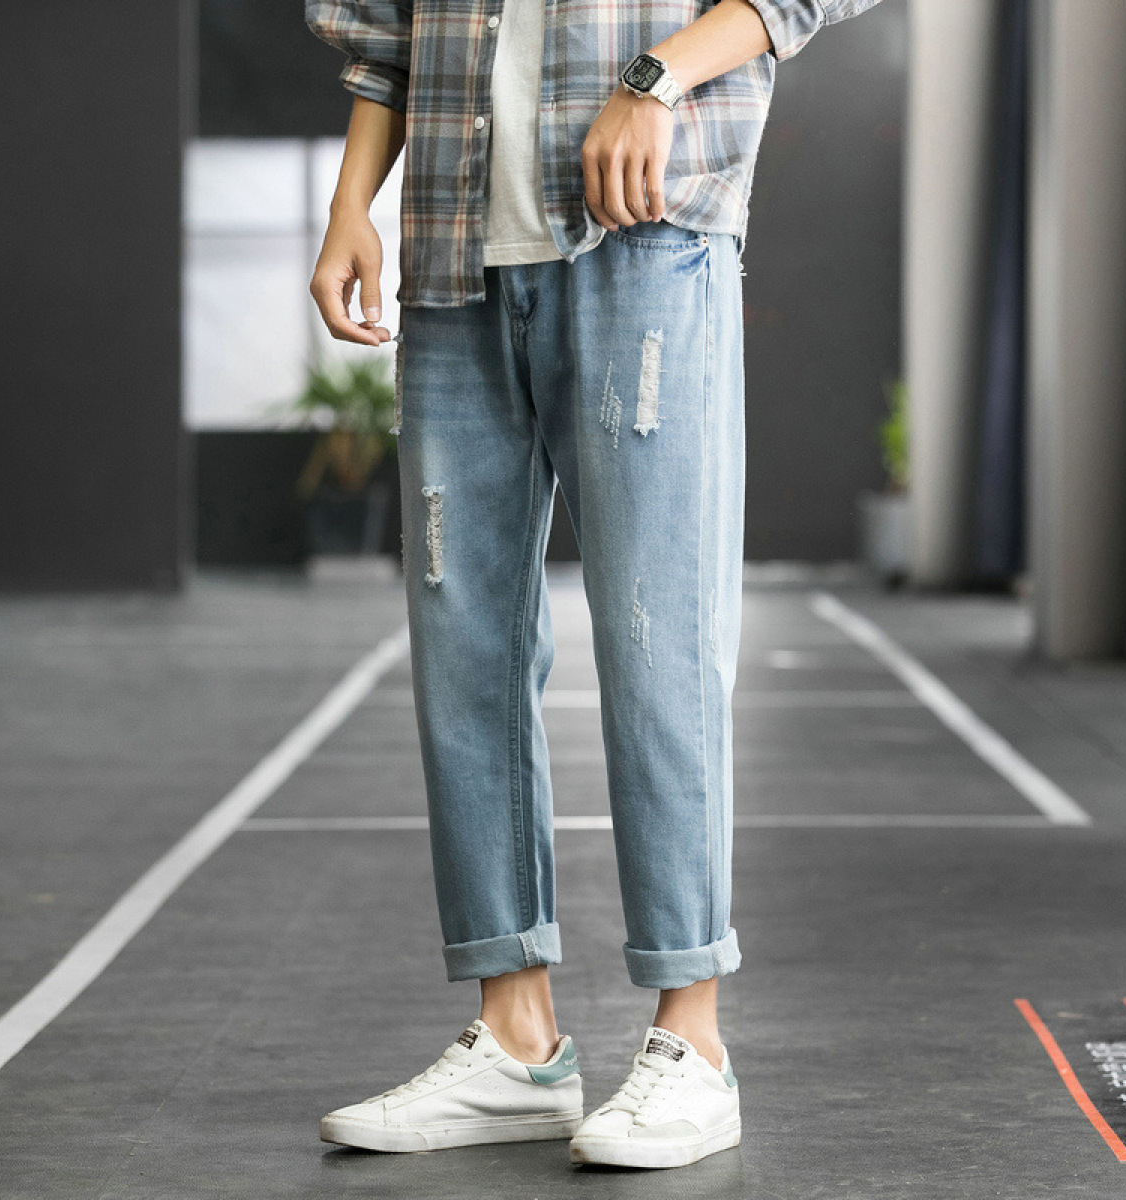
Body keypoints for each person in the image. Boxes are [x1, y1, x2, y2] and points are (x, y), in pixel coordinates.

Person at [305, 0, 880, 1170]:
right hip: (456, 256)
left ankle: (693, 1041)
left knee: (659, 643)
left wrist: (655, 78)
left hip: (645, 244)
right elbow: (384, 34)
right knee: (461, 651)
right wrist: (350, 204)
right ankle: (517, 1041)